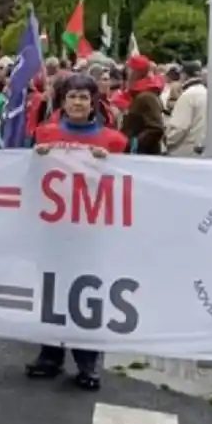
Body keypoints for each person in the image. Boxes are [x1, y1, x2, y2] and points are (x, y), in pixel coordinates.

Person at [26, 73, 130, 390]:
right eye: (72, 96)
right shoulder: (44, 135)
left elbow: (130, 183)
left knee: (88, 294)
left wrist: (110, 164)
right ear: (63, 100)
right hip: (53, 230)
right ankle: (50, 354)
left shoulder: (114, 141)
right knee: (52, 292)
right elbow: (28, 179)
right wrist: (36, 159)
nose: (77, 103)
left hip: (92, 232)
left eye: (84, 97)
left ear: (93, 102)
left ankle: (87, 363)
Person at [119, 54, 165, 155]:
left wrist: (134, 144)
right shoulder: (140, 94)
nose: (126, 73)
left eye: (129, 69)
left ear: (136, 72)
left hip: (143, 157)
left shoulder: (146, 96)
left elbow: (156, 128)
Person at [165, 61, 207, 157]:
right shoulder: (206, 92)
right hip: (201, 149)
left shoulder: (187, 95)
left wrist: (166, 141)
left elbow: (180, 127)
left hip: (184, 151)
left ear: (184, 75)